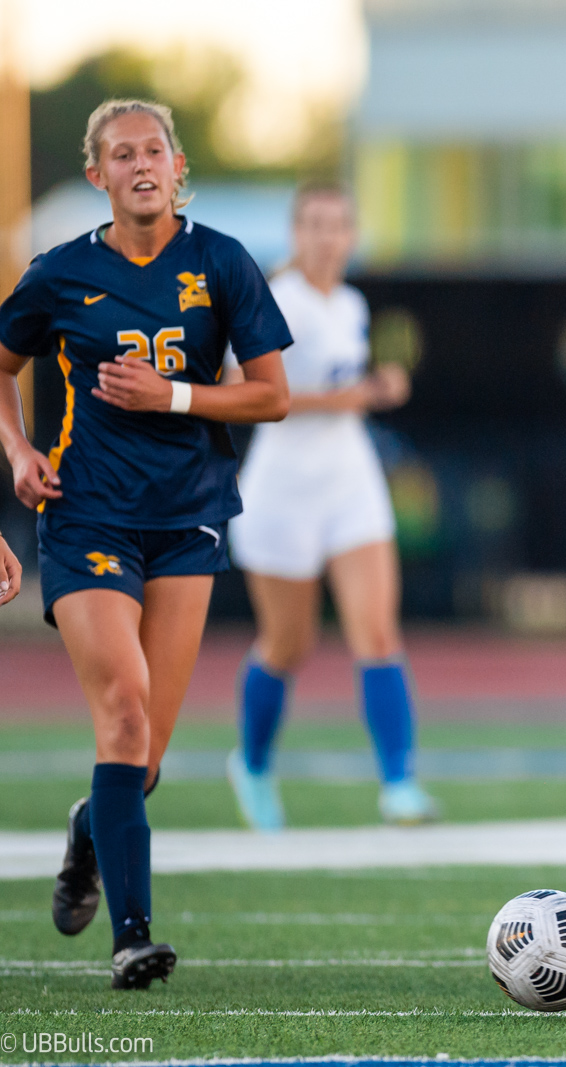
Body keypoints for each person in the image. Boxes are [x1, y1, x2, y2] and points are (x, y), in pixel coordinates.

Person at [0, 99, 291, 988]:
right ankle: (133, 937)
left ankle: (94, 829)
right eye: (121, 154)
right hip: (86, 511)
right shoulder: (59, 274)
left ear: (177, 164)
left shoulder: (220, 260)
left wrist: (172, 397)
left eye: (153, 150)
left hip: (188, 515)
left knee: (143, 759)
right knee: (123, 708)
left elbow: (271, 394)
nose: (140, 165)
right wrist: (17, 450)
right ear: (98, 175)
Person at [223, 183, 435, 830]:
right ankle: (252, 763)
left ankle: (399, 783)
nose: (327, 237)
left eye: (338, 225)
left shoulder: (351, 303)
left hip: (349, 482)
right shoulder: (273, 300)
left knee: (377, 631)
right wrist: (349, 396)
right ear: (296, 233)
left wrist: (374, 388)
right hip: (282, 490)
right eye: (314, 224)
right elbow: (240, 387)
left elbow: (351, 386)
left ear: (351, 234)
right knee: (288, 642)